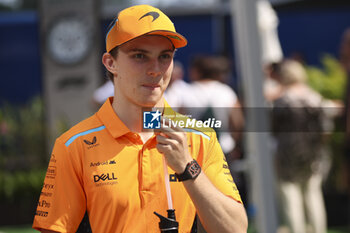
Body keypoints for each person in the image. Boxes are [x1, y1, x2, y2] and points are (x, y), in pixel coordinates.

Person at [32, 4, 247, 233]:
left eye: (165, 56)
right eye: (139, 56)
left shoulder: (200, 137)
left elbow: (235, 229)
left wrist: (186, 167)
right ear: (110, 62)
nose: (156, 69)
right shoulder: (74, 145)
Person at [272, 59, 332, 233]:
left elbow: (274, 128)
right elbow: (325, 129)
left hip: (287, 154)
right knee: (313, 194)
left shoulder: (282, 100)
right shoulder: (315, 97)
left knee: (291, 196)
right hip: (314, 153)